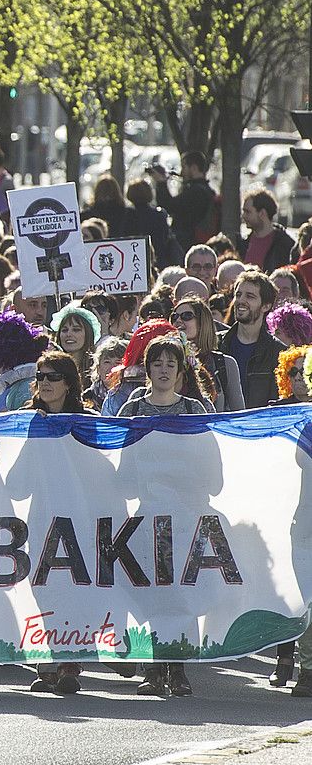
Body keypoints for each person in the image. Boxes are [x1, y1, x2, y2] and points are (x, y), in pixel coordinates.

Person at [117, 336, 211, 697]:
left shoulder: (193, 410)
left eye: (171, 363)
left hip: (185, 515)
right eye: (157, 363)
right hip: (145, 515)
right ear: (147, 368)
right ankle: (153, 668)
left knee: (180, 594)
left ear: (180, 370)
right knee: (150, 593)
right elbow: (120, 465)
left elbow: (207, 466)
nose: (164, 369)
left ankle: (179, 666)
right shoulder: (133, 410)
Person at [23, 351, 91, 694]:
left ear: (68, 383)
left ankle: (70, 661)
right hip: (41, 515)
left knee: (73, 588)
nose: (45, 383)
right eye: (40, 376)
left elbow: (101, 471)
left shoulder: (87, 419)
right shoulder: (27, 420)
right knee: (43, 588)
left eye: (52, 376)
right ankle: (46, 657)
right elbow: (15, 483)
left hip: (79, 516)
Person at [218, 270, 285, 408]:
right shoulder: (216, 344)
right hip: (220, 426)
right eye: (238, 294)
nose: (241, 300)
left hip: (259, 427)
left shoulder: (278, 353)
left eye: (250, 296)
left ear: (265, 306)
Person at [170, 297, 244, 411]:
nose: (178, 321)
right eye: (174, 317)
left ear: (202, 322)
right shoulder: (167, 362)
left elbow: (239, 413)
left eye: (187, 316)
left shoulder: (225, 364)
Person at [0, 311, 48, 414]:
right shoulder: (33, 379)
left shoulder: (28, 386)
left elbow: (26, 425)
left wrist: (1, 412)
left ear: (0, 354)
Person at [50, 304, 101, 377]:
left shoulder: (98, 369)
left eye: (76, 330)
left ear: (88, 334)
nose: (69, 334)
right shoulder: (50, 367)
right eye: (64, 330)